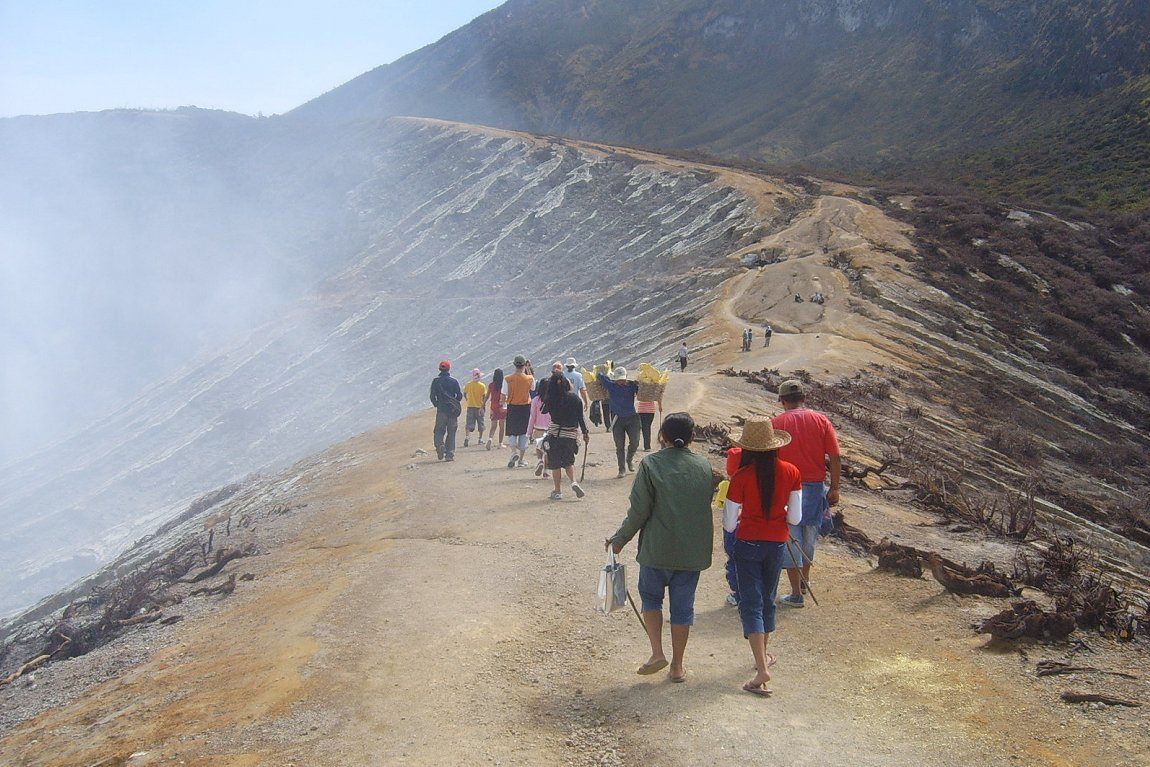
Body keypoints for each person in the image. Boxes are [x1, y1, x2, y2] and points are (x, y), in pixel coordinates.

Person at [606, 413, 713, 683]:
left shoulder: (651, 464)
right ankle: (677, 666)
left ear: (661, 436)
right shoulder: (703, 466)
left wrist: (619, 540)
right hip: (692, 552)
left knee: (652, 600)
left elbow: (639, 511)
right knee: (683, 609)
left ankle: (657, 653)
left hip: (657, 550)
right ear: (691, 438)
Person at [723, 418, 802, 697]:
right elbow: (795, 517)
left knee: (751, 603)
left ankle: (761, 669)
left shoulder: (741, 477)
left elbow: (730, 524)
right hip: (777, 543)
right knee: (768, 600)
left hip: (748, 543)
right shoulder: (792, 472)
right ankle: (763, 656)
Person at [771, 379, 841, 607]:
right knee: (809, 537)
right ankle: (805, 579)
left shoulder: (776, 423)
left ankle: (796, 592)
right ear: (804, 398)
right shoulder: (821, 420)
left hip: (785, 487)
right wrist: (836, 487)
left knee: (791, 537)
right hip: (814, 486)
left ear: (782, 401)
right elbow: (835, 456)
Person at [543, 374, 589, 500]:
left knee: (556, 464)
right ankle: (574, 481)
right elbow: (581, 418)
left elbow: (543, 411)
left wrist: (547, 395)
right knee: (569, 462)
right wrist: (585, 433)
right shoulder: (575, 398)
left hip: (555, 434)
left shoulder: (551, 398)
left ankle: (557, 491)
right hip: (570, 435)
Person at [598, 366, 640, 478]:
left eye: (623, 379)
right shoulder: (611, 386)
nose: (621, 382)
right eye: (619, 379)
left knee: (635, 442)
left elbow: (642, 388)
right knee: (619, 446)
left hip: (632, 418)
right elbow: (600, 375)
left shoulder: (632, 386)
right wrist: (607, 373)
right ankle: (621, 469)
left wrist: (636, 383)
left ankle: (629, 459)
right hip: (617, 419)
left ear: (626, 378)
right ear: (615, 379)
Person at [428, 360, 463, 462]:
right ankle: (450, 454)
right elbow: (459, 395)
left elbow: (432, 396)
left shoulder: (436, 381)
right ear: (449, 369)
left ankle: (440, 446)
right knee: (451, 432)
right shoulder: (454, 381)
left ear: (440, 369)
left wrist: (436, 404)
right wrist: (455, 402)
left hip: (441, 410)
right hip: (452, 411)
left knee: (439, 431)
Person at [504, 356, 534, 468]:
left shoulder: (508, 379)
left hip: (512, 407)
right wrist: (529, 371)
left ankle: (513, 452)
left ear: (514, 365)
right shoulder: (529, 378)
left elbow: (503, 394)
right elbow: (533, 389)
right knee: (524, 433)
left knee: (512, 431)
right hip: (525, 407)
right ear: (524, 366)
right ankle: (521, 460)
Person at [462, 369, 487, 448]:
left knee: (469, 423)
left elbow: (465, 394)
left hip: (470, 406)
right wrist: (483, 406)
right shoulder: (482, 386)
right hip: (479, 407)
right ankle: (480, 439)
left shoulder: (468, 385)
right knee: (481, 423)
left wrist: (467, 400)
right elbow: (484, 397)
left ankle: (467, 437)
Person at [487, 368, 506, 449]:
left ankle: (490, 439)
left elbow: (487, 396)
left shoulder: (491, 385)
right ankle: (500, 443)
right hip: (502, 406)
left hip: (493, 406)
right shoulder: (503, 385)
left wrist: (482, 405)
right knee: (501, 426)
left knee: (493, 426)